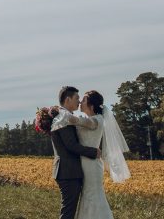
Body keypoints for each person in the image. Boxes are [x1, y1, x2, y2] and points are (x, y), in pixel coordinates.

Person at [53, 90, 131, 219]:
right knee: (87, 197)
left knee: (93, 195)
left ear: (91, 106)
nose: (80, 102)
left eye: (83, 100)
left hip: (91, 165)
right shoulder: (89, 119)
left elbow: (74, 120)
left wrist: (58, 110)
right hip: (85, 163)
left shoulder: (96, 121)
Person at [50, 86, 101, 219]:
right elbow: (71, 146)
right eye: (77, 98)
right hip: (68, 171)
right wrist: (93, 152)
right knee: (68, 211)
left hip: (68, 170)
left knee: (69, 210)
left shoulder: (64, 116)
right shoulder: (63, 118)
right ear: (68, 99)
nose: (79, 102)